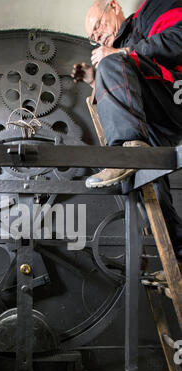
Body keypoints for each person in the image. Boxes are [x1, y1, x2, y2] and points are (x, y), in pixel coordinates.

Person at [72, 0, 182, 280]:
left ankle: (128, 153)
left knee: (111, 61)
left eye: (98, 25)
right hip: (155, 123)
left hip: (175, 98)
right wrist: (95, 81)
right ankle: (179, 260)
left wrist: (123, 53)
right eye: (93, 36)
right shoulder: (119, 49)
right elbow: (129, 90)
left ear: (113, 6)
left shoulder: (153, 11)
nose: (97, 36)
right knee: (151, 192)